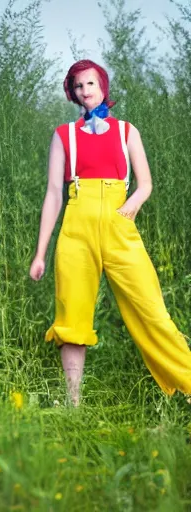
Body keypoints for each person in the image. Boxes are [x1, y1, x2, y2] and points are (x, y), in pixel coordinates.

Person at [29, 59, 191, 406]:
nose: (85, 91)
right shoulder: (64, 135)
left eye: (90, 83)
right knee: (72, 318)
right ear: (72, 93)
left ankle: (188, 383)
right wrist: (40, 253)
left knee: (152, 310)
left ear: (102, 86)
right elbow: (54, 194)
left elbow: (145, 183)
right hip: (76, 230)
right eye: (78, 86)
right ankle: (73, 407)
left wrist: (130, 206)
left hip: (119, 227)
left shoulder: (126, 131)